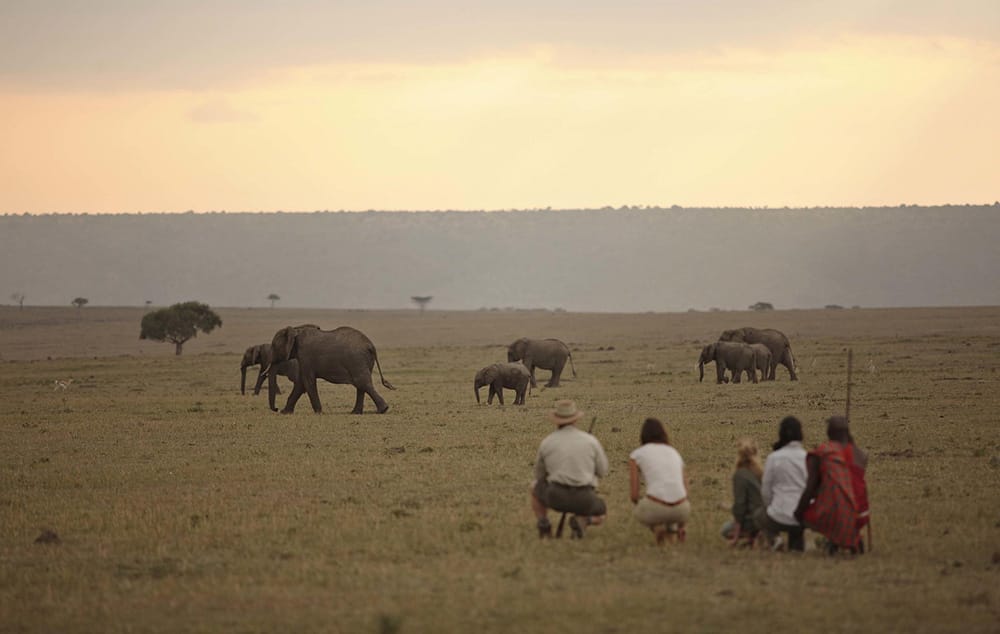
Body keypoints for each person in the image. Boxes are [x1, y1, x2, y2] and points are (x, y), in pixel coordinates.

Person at [531, 400, 609, 539]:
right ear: (576, 420)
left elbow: (539, 476)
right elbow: (602, 471)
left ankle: (543, 522)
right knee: (601, 512)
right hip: (585, 497)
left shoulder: (548, 441)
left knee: (534, 487)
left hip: (556, 496)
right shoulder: (590, 441)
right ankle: (585, 520)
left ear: (556, 421)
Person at [794, 415, 865, 554]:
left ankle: (798, 547)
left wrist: (798, 512)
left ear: (829, 433)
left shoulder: (822, 453)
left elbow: (810, 489)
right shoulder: (861, 455)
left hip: (831, 513)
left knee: (804, 516)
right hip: (860, 514)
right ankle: (846, 539)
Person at [628, 417, 690, 545]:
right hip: (682, 510)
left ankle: (658, 528)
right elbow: (686, 489)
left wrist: (640, 502)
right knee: (671, 511)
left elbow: (634, 496)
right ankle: (674, 530)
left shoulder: (636, 455)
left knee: (640, 511)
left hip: (657, 507)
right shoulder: (674, 452)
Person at [758, 416, 808, 551]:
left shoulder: (773, 458)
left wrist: (771, 507)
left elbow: (765, 492)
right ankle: (797, 545)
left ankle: (775, 539)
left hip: (777, 514)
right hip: (802, 516)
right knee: (797, 528)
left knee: (758, 515)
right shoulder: (807, 458)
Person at [720, 438, 763, 547]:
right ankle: (756, 534)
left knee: (725, 529)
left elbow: (740, 507)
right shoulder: (760, 472)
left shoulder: (739, 475)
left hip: (753, 519)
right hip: (766, 517)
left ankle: (750, 533)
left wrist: (735, 538)